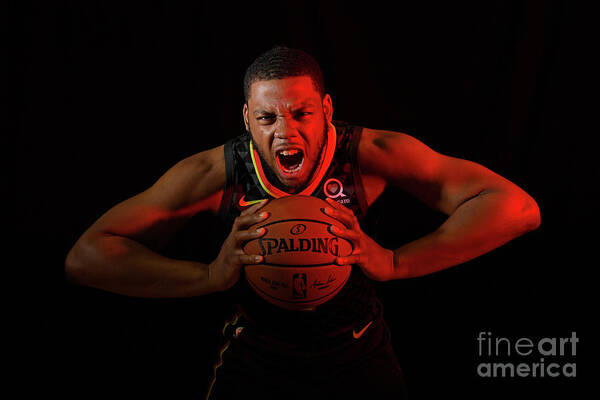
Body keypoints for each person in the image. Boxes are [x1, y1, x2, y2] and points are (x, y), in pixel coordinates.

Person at [65, 46, 541, 399]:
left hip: (358, 352)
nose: (285, 131)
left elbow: (517, 207)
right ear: (247, 119)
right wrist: (208, 275)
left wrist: (396, 261)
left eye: (301, 113)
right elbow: (87, 256)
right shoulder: (215, 173)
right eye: (268, 117)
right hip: (257, 356)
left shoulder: (371, 155)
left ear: (327, 112)